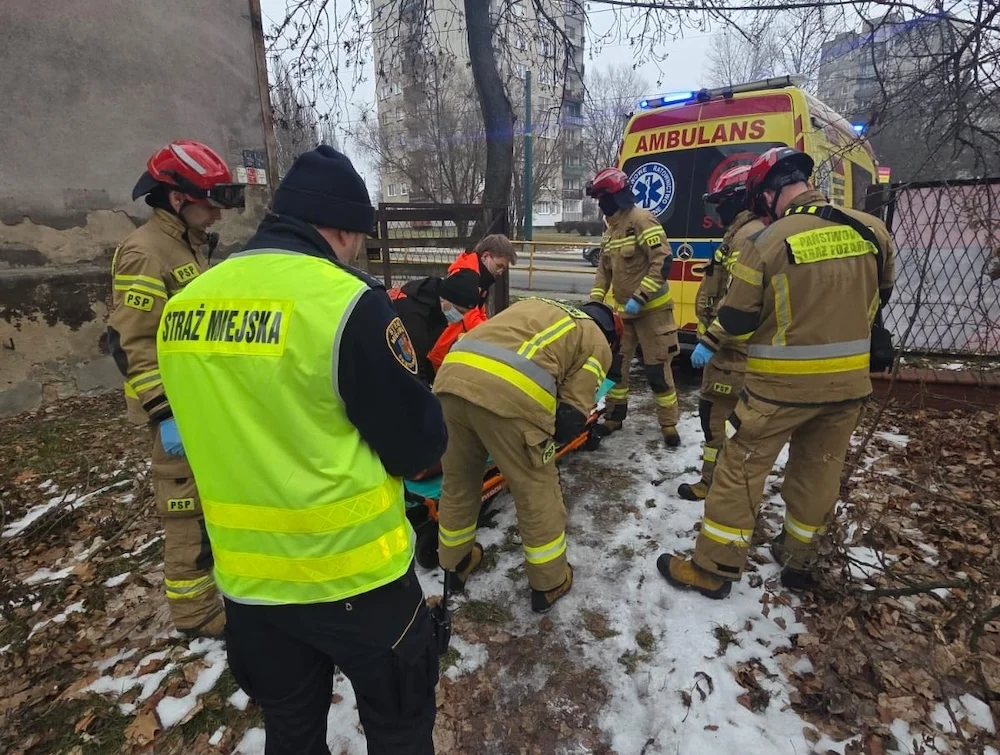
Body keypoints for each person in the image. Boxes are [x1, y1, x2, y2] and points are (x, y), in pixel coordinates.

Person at [156, 145, 448, 754]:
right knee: (399, 729)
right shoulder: (346, 303)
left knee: (290, 730)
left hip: (251, 587)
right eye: (358, 239)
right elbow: (417, 446)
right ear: (341, 229)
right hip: (358, 579)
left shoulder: (183, 308)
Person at [658, 147, 895, 599]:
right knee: (818, 472)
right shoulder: (872, 229)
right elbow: (880, 294)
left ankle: (713, 569)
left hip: (778, 388)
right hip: (848, 386)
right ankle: (799, 560)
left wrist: (715, 339)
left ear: (767, 194)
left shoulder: (767, 241)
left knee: (739, 471)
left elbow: (738, 317)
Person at [106, 140, 245, 636]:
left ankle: (220, 586)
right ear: (178, 198)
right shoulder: (144, 253)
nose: (218, 214)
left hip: (201, 403)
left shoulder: (190, 246)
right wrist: (165, 412)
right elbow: (132, 341)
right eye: (210, 203)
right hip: (174, 411)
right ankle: (195, 613)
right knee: (186, 509)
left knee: (214, 500)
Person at [433, 298, 622, 612]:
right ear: (611, 336)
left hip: (451, 381)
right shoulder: (597, 340)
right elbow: (572, 416)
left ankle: (457, 563)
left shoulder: (539, 306)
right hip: (508, 394)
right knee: (536, 488)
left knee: (459, 481)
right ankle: (550, 582)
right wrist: (543, 440)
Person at [677, 166, 768, 502]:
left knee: (718, 421)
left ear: (737, 200)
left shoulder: (748, 238)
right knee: (714, 417)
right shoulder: (740, 234)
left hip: (733, 353)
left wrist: (711, 340)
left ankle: (716, 484)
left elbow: (738, 301)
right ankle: (716, 480)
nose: (716, 212)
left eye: (720, 204)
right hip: (724, 351)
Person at [586, 167, 681, 447]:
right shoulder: (611, 231)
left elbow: (662, 260)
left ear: (615, 196)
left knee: (657, 370)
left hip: (653, 313)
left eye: (602, 198)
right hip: (623, 315)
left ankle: (668, 424)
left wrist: (640, 297)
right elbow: (603, 271)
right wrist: (595, 303)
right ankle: (614, 418)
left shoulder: (641, 219)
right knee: (616, 368)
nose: (600, 204)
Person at [388, 269, 483, 383]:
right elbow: (412, 367)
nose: (461, 317)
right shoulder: (415, 317)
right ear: (446, 299)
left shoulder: (430, 300)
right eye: (460, 311)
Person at [448, 234, 518, 313]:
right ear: (485, 256)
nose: (500, 272)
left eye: (503, 268)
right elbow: (470, 316)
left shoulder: (481, 276)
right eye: (499, 266)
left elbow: (479, 311)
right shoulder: (466, 277)